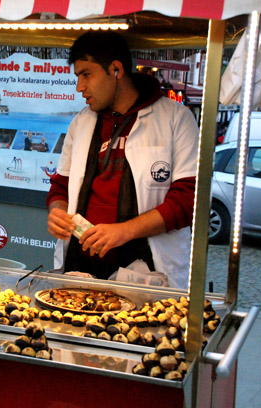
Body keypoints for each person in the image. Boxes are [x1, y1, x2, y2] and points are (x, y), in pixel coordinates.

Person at [46, 31, 199, 289]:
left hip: (146, 277)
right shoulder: (81, 123)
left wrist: (123, 231)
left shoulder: (176, 119)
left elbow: (187, 200)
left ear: (116, 69)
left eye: (86, 74)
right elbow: (61, 185)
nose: (79, 87)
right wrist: (57, 211)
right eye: (78, 77)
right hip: (80, 270)